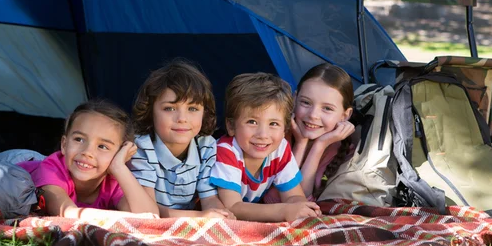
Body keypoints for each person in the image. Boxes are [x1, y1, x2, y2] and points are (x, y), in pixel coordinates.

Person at [18, 99, 159, 219]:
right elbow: (67, 213)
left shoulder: (113, 181)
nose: (87, 152)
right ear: (64, 144)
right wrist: (123, 217)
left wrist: (119, 167)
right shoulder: (52, 171)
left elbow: (149, 217)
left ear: (119, 154)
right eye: (79, 139)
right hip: (19, 164)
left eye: (103, 146)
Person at [129, 59, 234, 219]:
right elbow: (148, 211)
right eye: (169, 108)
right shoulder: (142, 147)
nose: (182, 118)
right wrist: (200, 217)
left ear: (204, 113)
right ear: (150, 112)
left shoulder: (206, 145)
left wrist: (220, 215)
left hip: (188, 221)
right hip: (153, 222)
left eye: (192, 109)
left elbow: (209, 198)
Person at [210, 72, 321, 222]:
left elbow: (294, 195)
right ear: (231, 126)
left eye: (273, 124)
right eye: (252, 122)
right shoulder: (226, 151)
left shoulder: (280, 149)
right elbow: (233, 206)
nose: (263, 134)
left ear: (285, 129)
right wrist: (284, 210)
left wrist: (300, 208)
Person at [264, 63, 355, 203]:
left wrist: (319, 146)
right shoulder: (274, 136)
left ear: (345, 115)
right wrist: (300, 144)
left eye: (327, 109)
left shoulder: (345, 154)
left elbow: (301, 202)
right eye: (306, 103)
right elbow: (274, 200)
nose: (313, 115)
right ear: (294, 99)